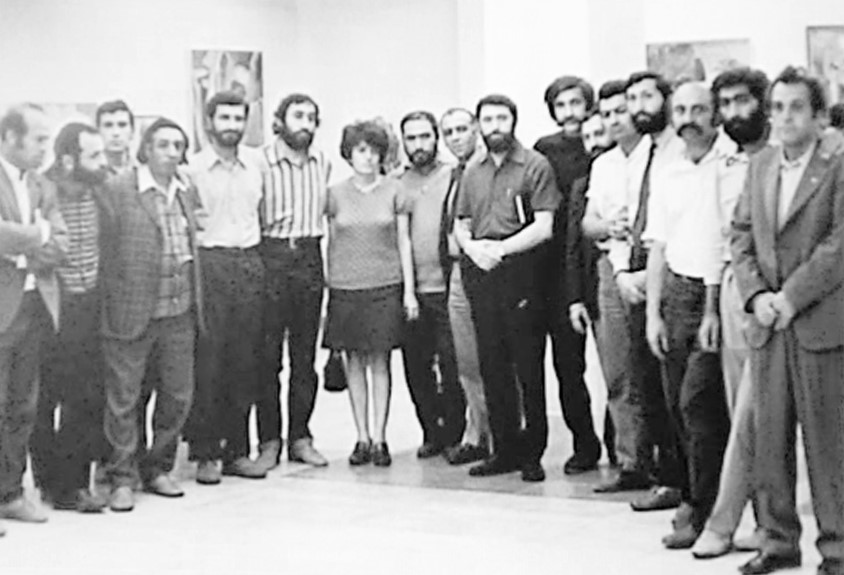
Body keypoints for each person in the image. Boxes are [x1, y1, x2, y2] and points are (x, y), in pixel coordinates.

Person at [732, 66, 844, 575]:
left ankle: (837, 547)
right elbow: (740, 234)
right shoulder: (760, 165)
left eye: (796, 107)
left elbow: (838, 245)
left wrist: (790, 297)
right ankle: (777, 542)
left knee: (828, 443)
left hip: (818, 320)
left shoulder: (836, 165)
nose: (784, 117)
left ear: (818, 115)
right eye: (777, 108)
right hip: (767, 324)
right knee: (769, 439)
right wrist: (757, 295)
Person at [99, 117, 204, 512]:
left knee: (177, 396)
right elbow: (105, 249)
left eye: (178, 146)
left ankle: (158, 468)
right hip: (131, 311)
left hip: (179, 312)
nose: (172, 153)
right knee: (124, 400)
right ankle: (121, 477)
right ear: (146, 149)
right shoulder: (120, 188)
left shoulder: (185, 189)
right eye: (163, 145)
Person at [643, 81, 731, 549]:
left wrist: (713, 310)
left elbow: (722, 242)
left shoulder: (730, 164)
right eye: (680, 110)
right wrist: (652, 315)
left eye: (698, 109)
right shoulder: (668, 170)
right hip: (675, 294)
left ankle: (704, 509)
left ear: (714, 113)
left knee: (700, 405)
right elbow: (658, 245)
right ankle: (694, 495)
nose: (688, 119)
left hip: (714, 294)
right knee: (677, 403)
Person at [691, 67, 774, 559]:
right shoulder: (720, 164)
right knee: (744, 414)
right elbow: (717, 240)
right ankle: (764, 525)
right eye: (724, 104)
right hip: (733, 294)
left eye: (742, 101)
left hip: (783, 295)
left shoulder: (786, 156)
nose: (733, 113)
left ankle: (724, 522)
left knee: (753, 417)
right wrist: (711, 309)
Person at [455, 94, 560, 483]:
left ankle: (532, 453)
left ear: (513, 121)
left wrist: (501, 249)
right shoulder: (472, 171)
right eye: (488, 119)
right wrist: (472, 249)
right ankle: (504, 450)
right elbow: (461, 222)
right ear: (479, 125)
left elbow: (545, 225)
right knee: (492, 363)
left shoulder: (535, 165)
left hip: (522, 267)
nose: (495, 126)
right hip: (482, 269)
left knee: (528, 365)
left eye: (502, 118)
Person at [323, 120, 417, 467]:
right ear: (349, 154)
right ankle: (360, 436)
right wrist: (327, 289)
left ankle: (380, 437)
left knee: (380, 361)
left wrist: (409, 292)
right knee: (354, 362)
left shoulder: (396, 190)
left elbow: (403, 241)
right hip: (345, 287)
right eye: (361, 150)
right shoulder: (333, 194)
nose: (367, 157)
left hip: (384, 285)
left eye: (374, 151)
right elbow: (329, 241)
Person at [184, 91, 267, 484]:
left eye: (238, 119)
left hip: (249, 261)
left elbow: (261, 213)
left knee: (245, 359)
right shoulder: (193, 169)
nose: (232, 126)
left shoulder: (257, 164)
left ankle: (237, 450)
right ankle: (206, 452)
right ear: (209, 122)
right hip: (211, 263)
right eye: (224, 118)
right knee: (210, 360)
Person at [582, 81, 658, 494]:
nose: (614, 120)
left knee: (658, 369)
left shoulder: (658, 154)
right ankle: (632, 462)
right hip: (612, 269)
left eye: (620, 111)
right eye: (606, 113)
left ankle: (670, 463)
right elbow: (588, 222)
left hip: (655, 267)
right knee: (617, 371)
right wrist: (607, 226)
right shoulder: (603, 164)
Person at [30, 123, 109, 513]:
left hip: (89, 304)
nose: (103, 162)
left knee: (87, 395)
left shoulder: (99, 191)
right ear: (67, 160)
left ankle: (75, 483)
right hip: (49, 306)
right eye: (94, 155)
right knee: (44, 398)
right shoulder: (39, 191)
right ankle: (49, 482)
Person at [0, 103, 67, 534]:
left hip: (35, 307)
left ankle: (9, 495)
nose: (46, 148)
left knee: (23, 407)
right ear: (11, 137)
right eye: (39, 139)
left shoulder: (43, 185)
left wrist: (22, 249)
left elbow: (60, 243)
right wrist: (36, 234)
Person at [622, 70, 685, 512]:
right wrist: (625, 272)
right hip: (639, 282)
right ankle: (667, 478)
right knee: (646, 387)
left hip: (673, 282)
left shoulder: (681, 152)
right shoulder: (643, 152)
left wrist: (649, 275)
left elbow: (679, 227)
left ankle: (684, 483)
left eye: (647, 96)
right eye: (633, 99)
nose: (639, 106)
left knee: (676, 393)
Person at [534, 76, 603, 475]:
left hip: (600, 260)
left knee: (618, 364)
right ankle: (584, 443)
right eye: (561, 105)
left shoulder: (602, 142)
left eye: (576, 103)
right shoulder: (545, 150)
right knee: (569, 366)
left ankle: (627, 447)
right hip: (558, 268)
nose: (570, 112)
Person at [258, 94, 331, 470]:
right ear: (280, 120)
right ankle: (269, 440)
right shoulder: (260, 161)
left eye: (311, 117)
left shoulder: (323, 162)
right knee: (267, 357)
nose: (305, 123)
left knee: (305, 358)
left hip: (309, 255)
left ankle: (300, 437)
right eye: (297, 115)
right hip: (270, 255)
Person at [397, 110, 465, 458]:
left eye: (425, 136)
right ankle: (431, 432)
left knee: (452, 364)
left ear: (436, 138)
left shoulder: (453, 176)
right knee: (417, 366)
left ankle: (454, 433)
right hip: (411, 292)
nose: (419, 144)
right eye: (411, 138)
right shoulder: (397, 183)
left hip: (448, 288)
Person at [439, 107, 491, 466]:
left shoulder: (487, 169)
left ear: (476, 129)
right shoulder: (454, 173)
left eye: (462, 129)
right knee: (466, 360)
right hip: (458, 272)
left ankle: (501, 433)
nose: (456, 137)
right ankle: (477, 433)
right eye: (449, 132)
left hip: (487, 270)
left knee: (494, 359)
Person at [96, 100, 136, 176]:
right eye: (108, 125)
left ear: (132, 131)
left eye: (122, 125)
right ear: (98, 131)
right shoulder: (89, 172)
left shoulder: (144, 171)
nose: (116, 133)